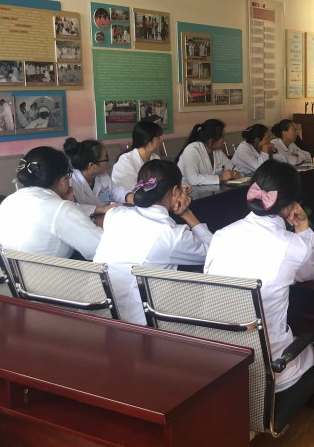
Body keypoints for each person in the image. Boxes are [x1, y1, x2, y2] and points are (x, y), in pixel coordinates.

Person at [205, 161, 314, 392]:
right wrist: (303, 229)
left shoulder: (221, 236)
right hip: (270, 368)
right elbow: (310, 273)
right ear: (291, 205)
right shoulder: (293, 246)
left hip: (221, 365)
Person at [94, 160, 213, 325]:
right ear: (175, 191)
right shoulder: (170, 234)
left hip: (100, 315)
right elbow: (213, 252)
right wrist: (186, 213)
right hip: (141, 325)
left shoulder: (115, 215)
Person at [0, 146, 102, 259]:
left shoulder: (10, 200)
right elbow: (101, 247)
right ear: (63, 180)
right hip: (48, 271)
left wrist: (65, 204)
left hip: (5, 270)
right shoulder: (59, 208)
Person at [64, 137, 132, 216]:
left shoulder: (102, 177)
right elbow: (71, 207)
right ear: (92, 166)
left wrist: (130, 197)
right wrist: (102, 209)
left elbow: (115, 191)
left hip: (103, 218)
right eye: (105, 158)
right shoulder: (70, 182)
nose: (108, 162)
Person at [176, 119, 239, 185]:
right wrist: (221, 177)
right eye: (222, 137)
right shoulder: (191, 150)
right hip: (187, 189)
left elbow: (232, 167)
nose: (224, 140)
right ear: (211, 141)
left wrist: (235, 173)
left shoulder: (217, 151)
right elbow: (193, 179)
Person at [111, 120, 164, 190]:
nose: (161, 140)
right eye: (158, 138)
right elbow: (131, 190)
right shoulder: (125, 162)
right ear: (147, 141)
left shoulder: (155, 158)